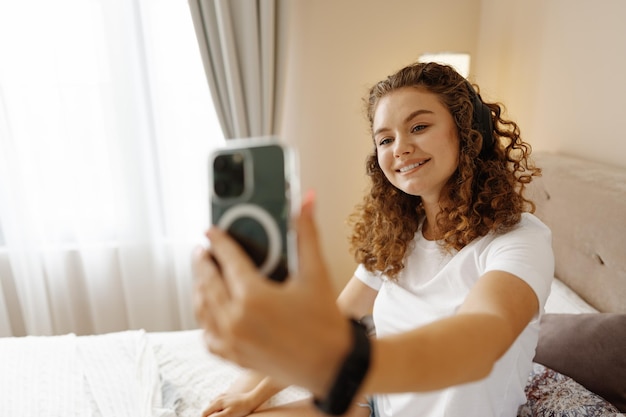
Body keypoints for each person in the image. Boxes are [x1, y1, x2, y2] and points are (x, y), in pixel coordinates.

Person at [193, 62, 554, 417]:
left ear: (467, 131)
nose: (400, 148)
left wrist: (336, 362)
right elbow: (337, 317)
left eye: (419, 126)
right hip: (374, 404)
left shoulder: (519, 240)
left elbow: (479, 344)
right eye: (385, 139)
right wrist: (253, 396)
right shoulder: (397, 237)